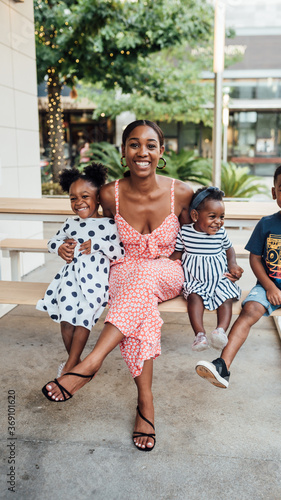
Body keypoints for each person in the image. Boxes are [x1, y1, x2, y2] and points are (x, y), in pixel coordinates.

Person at [41, 120, 193, 451]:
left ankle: (90, 363)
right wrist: (69, 247)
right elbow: (93, 232)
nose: (143, 152)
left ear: (161, 152)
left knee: (146, 278)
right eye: (134, 144)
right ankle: (146, 402)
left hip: (168, 270)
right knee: (143, 310)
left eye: (151, 145)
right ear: (123, 152)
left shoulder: (181, 193)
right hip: (123, 271)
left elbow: (197, 240)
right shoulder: (110, 194)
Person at [196, 161, 281, 421]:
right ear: (274, 193)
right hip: (268, 285)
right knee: (249, 310)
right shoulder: (266, 223)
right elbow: (255, 258)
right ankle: (222, 366)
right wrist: (268, 286)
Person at [37, 162, 124, 377]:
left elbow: (120, 252)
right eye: (73, 198)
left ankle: (71, 366)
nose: (79, 202)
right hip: (69, 279)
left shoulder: (110, 224)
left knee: (83, 318)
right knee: (66, 320)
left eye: (85, 196)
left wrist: (98, 245)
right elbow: (52, 241)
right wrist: (59, 247)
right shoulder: (70, 223)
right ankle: (75, 363)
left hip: (95, 282)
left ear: (98, 198)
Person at [170, 186, 243, 351]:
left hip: (219, 278)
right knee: (194, 298)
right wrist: (165, 262)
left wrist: (232, 263)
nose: (218, 221)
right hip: (195, 280)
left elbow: (229, 249)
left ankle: (221, 331)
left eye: (221, 217)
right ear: (195, 215)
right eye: (212, 216)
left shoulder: (221, 233)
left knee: (226, 298)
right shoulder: (185, 232)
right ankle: (200, 335)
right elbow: (177, 253)